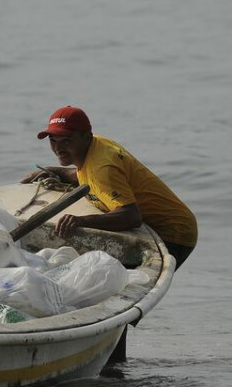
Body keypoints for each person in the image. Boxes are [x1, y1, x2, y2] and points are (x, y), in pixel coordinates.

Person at [21, 106, 198, 270]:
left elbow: (131, 216)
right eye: (53, 140)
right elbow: (87, 176)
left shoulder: (103, 167)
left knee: (114, 282)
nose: (58, 149)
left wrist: (81, 221)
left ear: (87, 137)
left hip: (173, 233)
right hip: (154, 225)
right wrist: (54, 171)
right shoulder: (95, 147)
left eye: (66, 141)